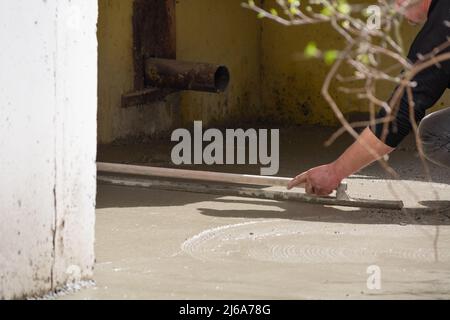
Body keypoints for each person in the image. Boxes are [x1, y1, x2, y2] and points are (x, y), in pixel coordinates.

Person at [288, 0, 450, 195]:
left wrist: (334, 172)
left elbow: (401, 113)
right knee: (433, 132)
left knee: (434, 135)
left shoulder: (442, 28)